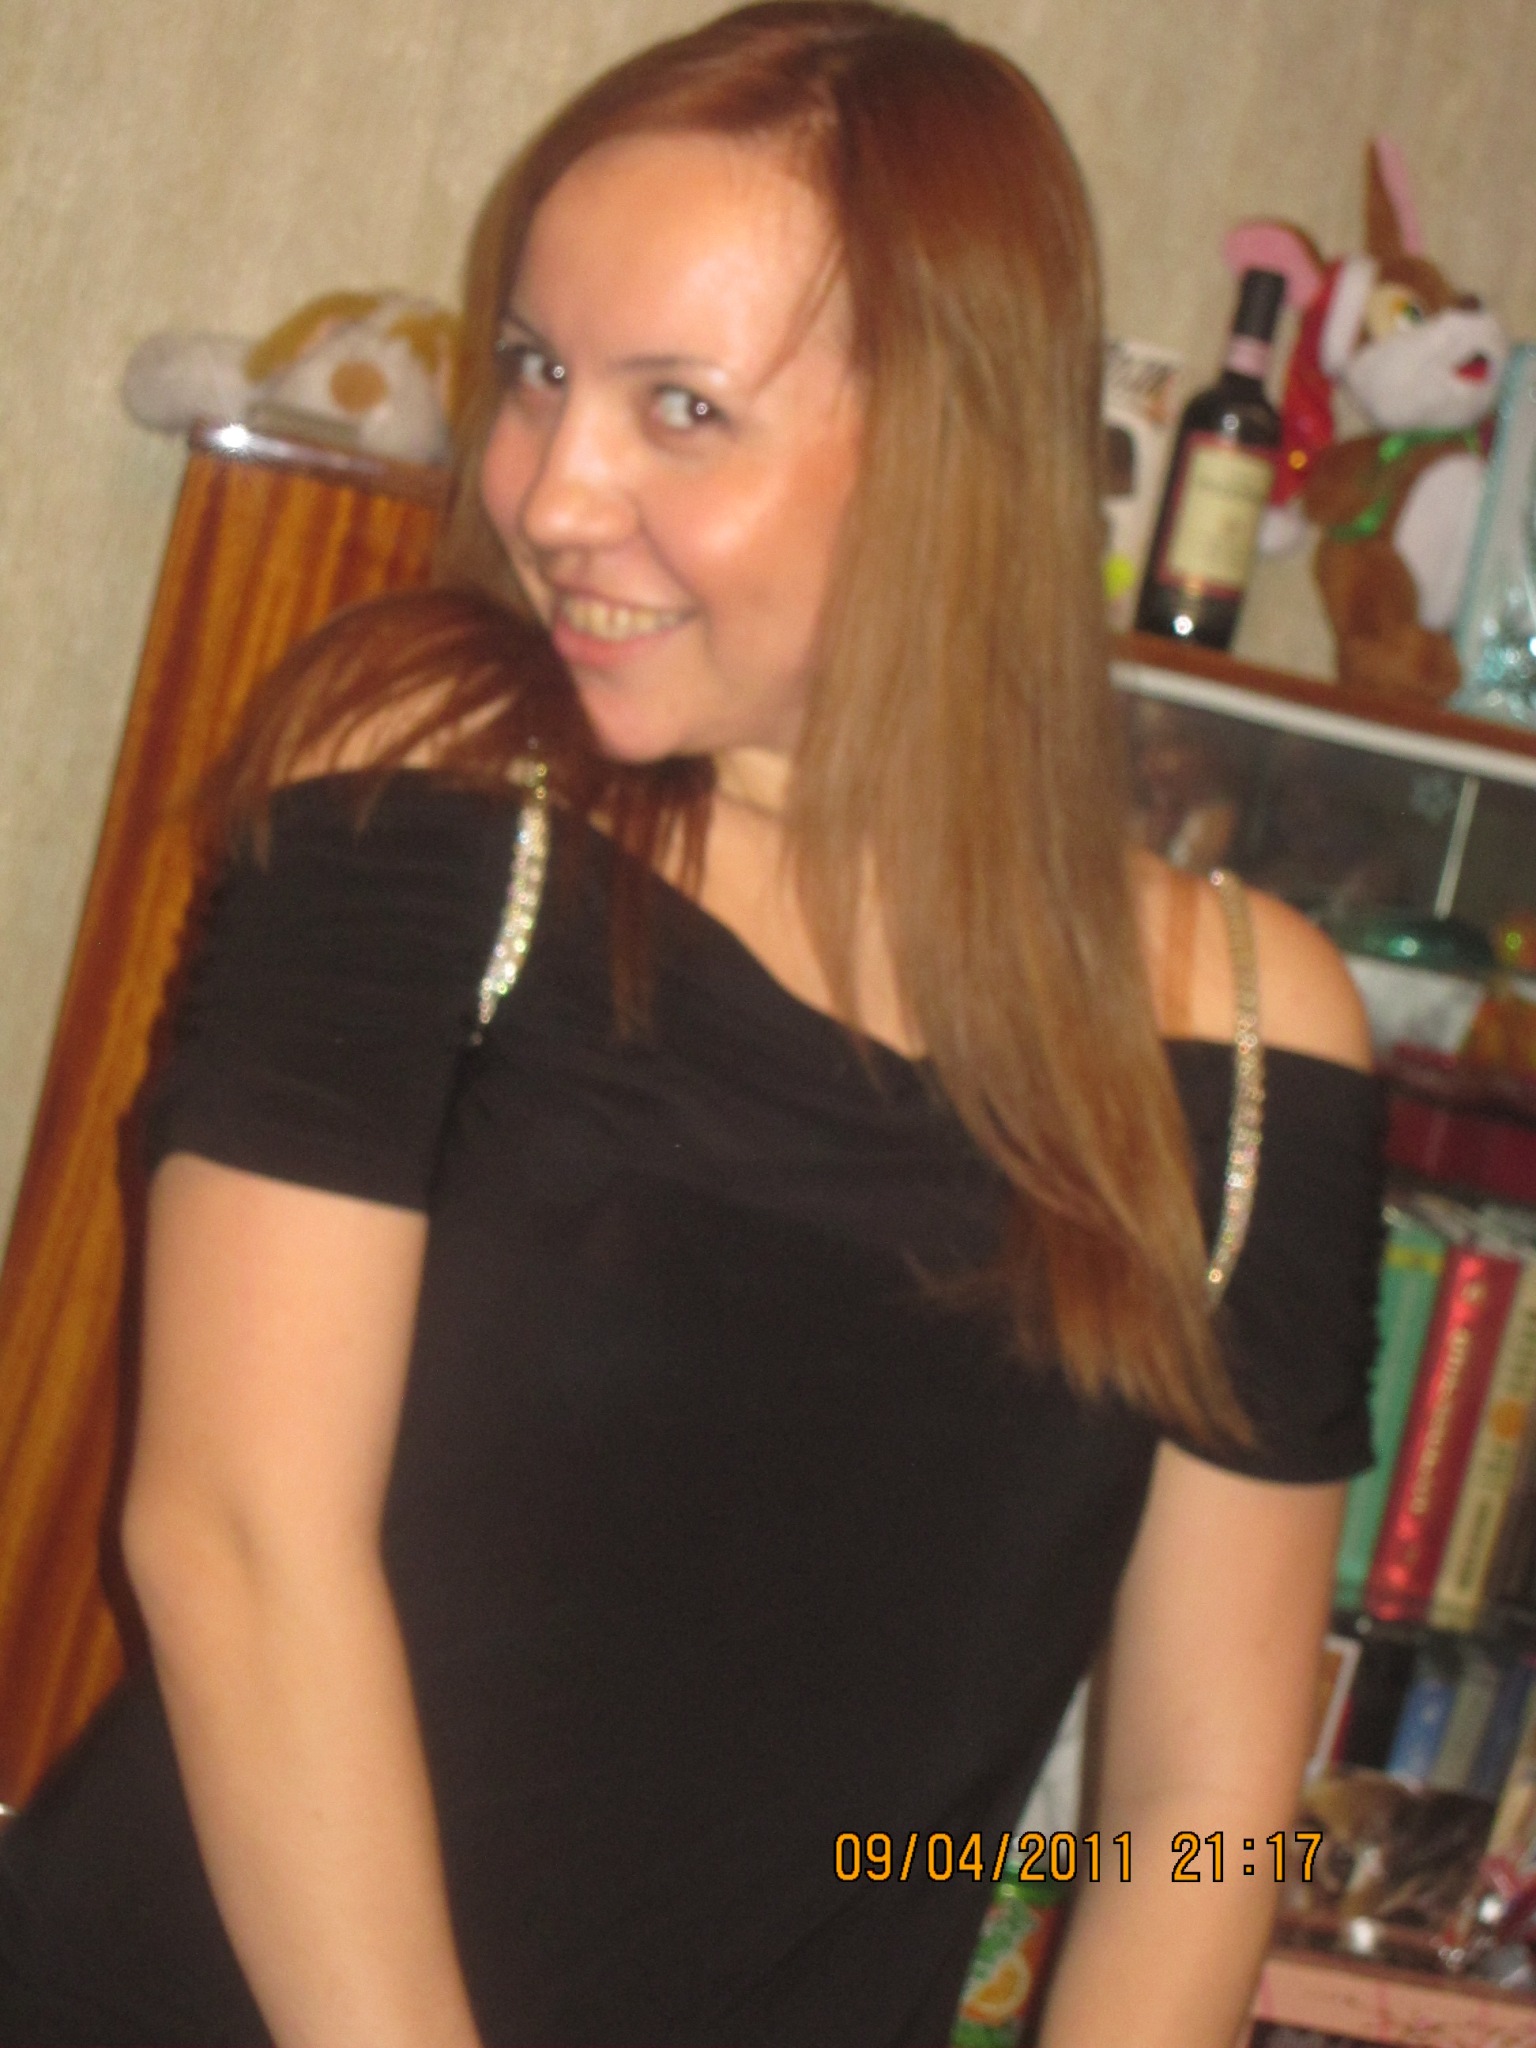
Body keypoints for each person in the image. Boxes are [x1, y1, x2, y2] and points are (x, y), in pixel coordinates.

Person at [0, 5, 1382, 2044]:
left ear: (947, 460)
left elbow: (1196, 1819)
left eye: (682, 408)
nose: (553, 490)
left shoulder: (1254, 1042)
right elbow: (233, 1538)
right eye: (539, 372)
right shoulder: (439, 767)